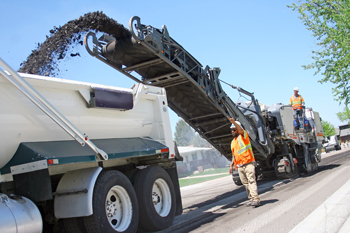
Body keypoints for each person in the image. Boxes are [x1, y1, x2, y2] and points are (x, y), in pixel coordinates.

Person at [228, 116, 260, 207]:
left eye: (234, 129)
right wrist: (231, 165)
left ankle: (256, 199)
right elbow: (234, 155)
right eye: (231, 130)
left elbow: (241, 130)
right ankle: (251, 199)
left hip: (248, 163)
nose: (232, 131)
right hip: (240, 166)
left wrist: (234, 123)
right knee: (245, 183)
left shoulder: (244, 136)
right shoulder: (233, 142)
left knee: (251, 180)